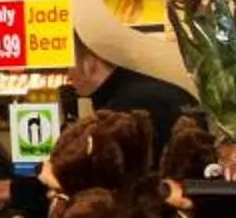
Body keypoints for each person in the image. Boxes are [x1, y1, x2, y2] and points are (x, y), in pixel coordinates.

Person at [67, 43, 201, 157]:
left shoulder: (125, 107)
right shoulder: (141, 88)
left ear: (89, 64)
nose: (68, 76)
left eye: (69, 66)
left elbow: (122, 175)